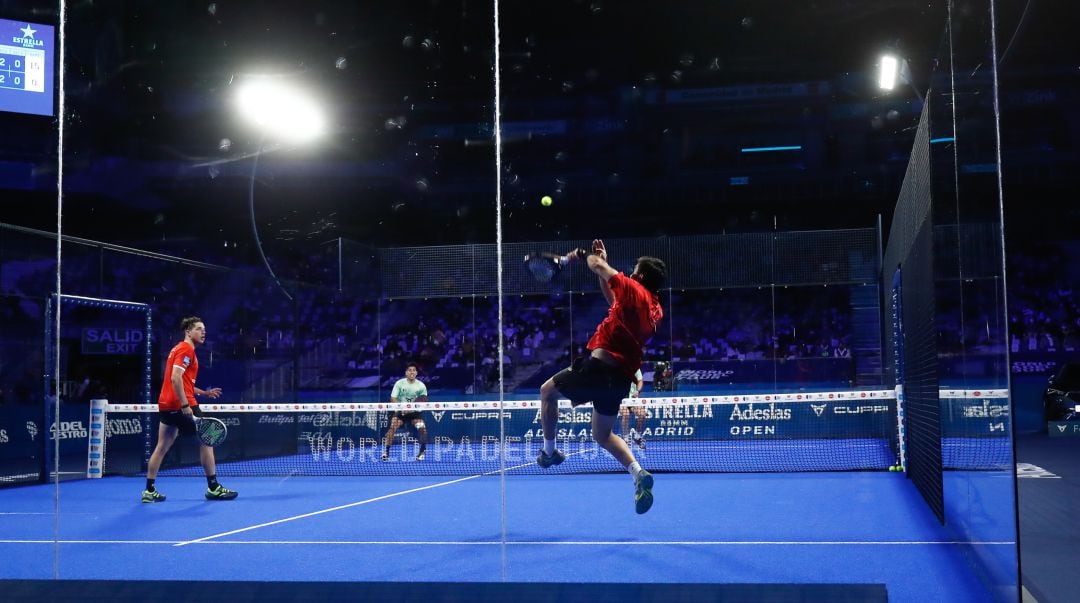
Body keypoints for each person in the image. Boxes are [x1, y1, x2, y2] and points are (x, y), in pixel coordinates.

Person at [537, 239, 666, 514]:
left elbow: (596, 266)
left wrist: (582, 256)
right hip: (618, 381)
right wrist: (602, 264)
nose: (630, 272)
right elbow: (612, 298)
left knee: (547, 391)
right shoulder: (654, 308)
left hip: (599, 369)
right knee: (602, 434)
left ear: (640, 276)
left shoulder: (634, 289)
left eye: (635, 269)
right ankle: (638, 473)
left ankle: (549, 452)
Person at [142, 317, 237, 502]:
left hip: (166, 404)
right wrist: (186, 405)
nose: (203, 332)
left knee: (161, 447)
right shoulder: (186, 350)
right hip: (181, 404)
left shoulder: (176, 349)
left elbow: (181, 381)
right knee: (207, 440)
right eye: (199, 329)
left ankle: (149, 491)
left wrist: (204, 393)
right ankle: (213, 487)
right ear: (188, 331)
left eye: (204, 329)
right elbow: (176, 379)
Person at [382, 362, 429, 461]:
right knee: (392, 428)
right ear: (406, 373)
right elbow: (393, 398)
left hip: (415, 412)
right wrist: (402, 408)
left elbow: (423, 400)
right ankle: (386, 452)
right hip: (401, 412)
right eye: (409, 370)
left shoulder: (421, 386)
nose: (412, 372)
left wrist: (411, 409)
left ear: (416, 373)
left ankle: (422, 451)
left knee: (422, 429)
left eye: (414, 370)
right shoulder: (399, 383)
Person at [619, 368, 647, 449]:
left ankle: (637, 437)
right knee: (626, 414)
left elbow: (640, 381)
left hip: (633, 398)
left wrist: (638, 391)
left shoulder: (635, 367)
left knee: (642, 414)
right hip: (622, 399)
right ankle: (626, 439)